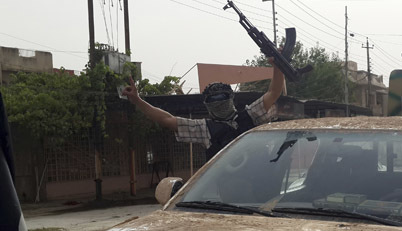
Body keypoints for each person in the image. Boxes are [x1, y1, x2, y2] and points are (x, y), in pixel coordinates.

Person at [122, 59, 285, 160]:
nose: (218, 103)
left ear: (230, 98)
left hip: (263, 188)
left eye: (221, 98)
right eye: (213, 100)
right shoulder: (205, 129)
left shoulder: (250, 115)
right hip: (228, 194)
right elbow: (167, 119)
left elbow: (274, 92)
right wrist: (138, 100)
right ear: (207, 105)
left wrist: (278, 65)